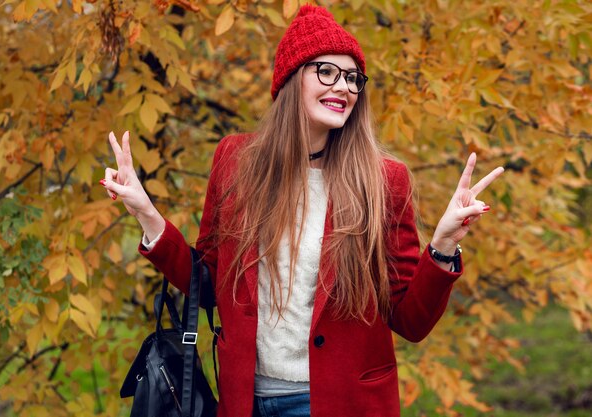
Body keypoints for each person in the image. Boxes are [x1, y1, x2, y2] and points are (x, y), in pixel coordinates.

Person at [101, 5, 504, 417]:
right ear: (292, 79)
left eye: (352, 78)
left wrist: (443, 246)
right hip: (244, 402)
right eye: (326, 71)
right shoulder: (237, 162)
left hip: (336, 403)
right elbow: (209, 284)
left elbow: (410, 321)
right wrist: (147, 214)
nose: (344, 87)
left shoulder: (385, 180)